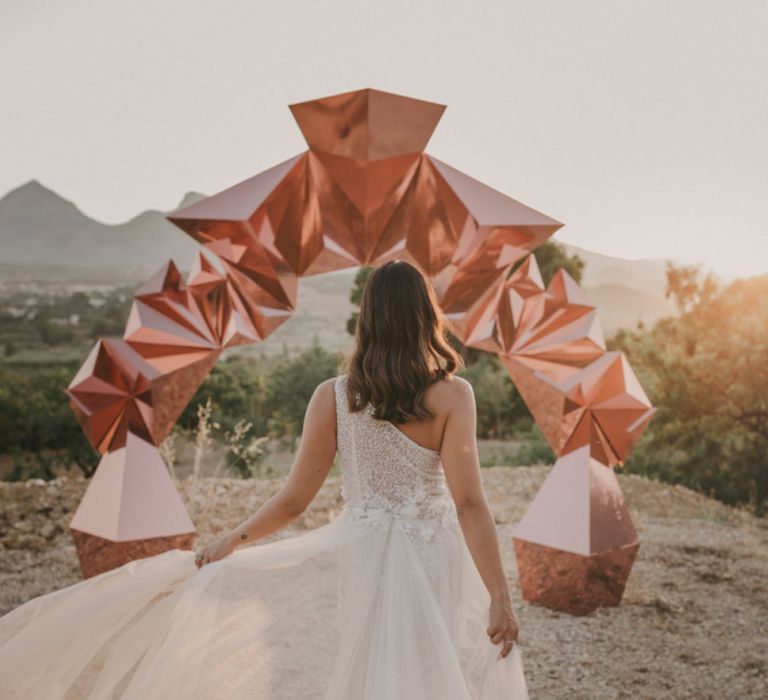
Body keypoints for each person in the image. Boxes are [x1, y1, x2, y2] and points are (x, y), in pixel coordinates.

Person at [0, 259, 529, 699]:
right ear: (424, 318)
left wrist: (236, 538)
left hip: (365, 550)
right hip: (433, 550)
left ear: (367, 319)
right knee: (427, 660)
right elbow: (469, 505)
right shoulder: (454, 396)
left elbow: (296, 497)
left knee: (368, 655)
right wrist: (499, 596)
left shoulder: (333, 397)